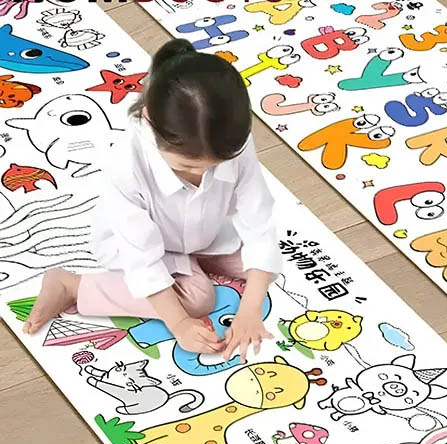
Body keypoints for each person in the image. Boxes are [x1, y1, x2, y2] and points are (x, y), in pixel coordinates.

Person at [23, 39, 282, 362]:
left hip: (206, 232)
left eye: (216, 165)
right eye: (188, 167)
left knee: (262, 266)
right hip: (147, 245)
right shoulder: (127, 165)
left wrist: (250, 312)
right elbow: (142, 258)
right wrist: (180, 324)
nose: (204, 173)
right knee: (198, 300)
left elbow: (259, 225)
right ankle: (71, 285)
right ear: (149, 121)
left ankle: (199, 262)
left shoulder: (233, 141)